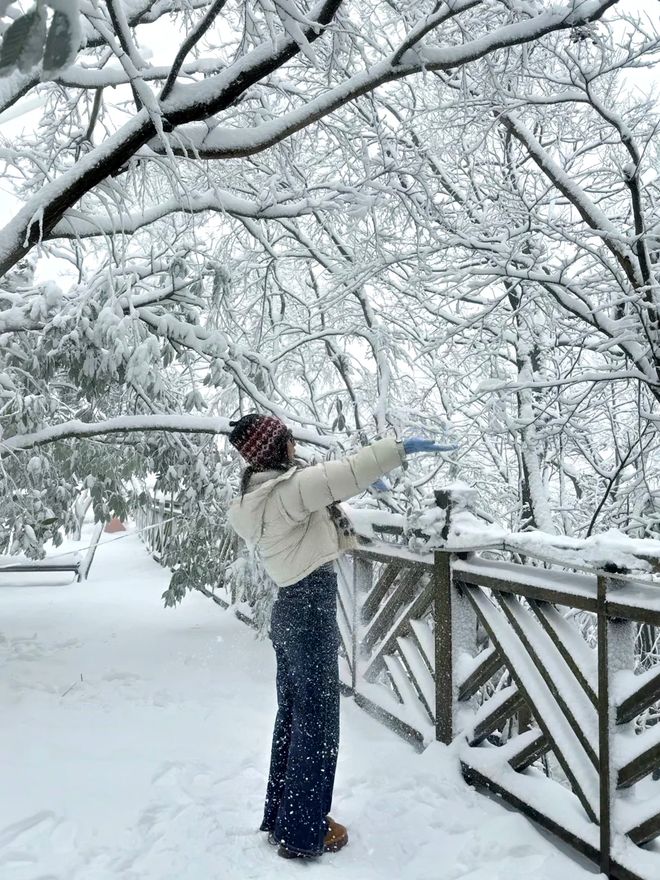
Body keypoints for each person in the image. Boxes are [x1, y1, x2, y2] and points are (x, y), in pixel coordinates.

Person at [227, 414, 452, 860]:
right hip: (309, 607)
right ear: (276, 449)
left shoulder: (259, 494)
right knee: (319, 722)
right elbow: (346, 472)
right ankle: (303, 829)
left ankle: (283, 816)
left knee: (294, 715)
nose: (294, 444)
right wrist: (398, 450)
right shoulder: (290, 492)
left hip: (288, 607)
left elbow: (324, 486)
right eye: (288, 439)